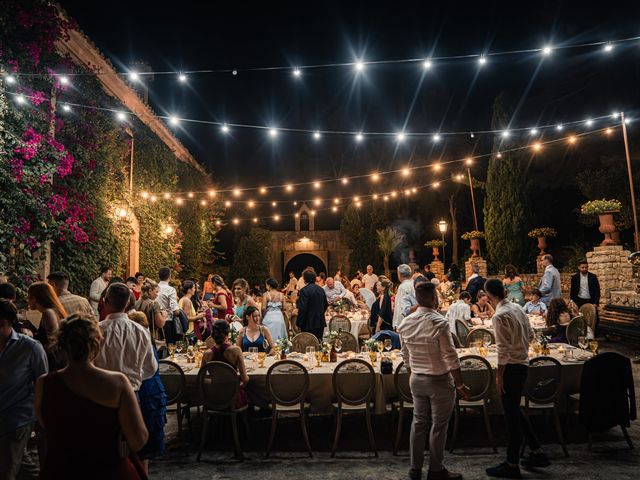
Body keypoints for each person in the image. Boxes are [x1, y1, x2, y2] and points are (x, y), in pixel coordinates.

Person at [34, 314, 147, 479]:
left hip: (61, 470)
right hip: (109, 471)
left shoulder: (44, 384)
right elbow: (138, 440)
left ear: (61, 344)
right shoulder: (117, 383)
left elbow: (47, 425)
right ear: (97, 343)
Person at [397, 282, 470, 480]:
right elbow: (451, 356)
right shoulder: (439, 322)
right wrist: (460, 384)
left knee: (419, 423)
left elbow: (405, 356)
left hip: (417, 379)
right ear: (432, 298)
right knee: (439, 425)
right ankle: (436, 469)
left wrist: (415, 373)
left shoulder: (405, 323)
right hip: (439, 380)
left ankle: (415, 468)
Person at [484, 279, 549, 478]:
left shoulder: (499, 316)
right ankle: (537, 452)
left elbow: (503, 350)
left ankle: (512, 464)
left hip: (512, 368)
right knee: (514, 409)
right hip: (522, 363)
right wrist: (521, 351)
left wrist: (499, 376)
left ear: (488, 296)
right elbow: (530, 334)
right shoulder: (518, 308)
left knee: (511, 416)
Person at [0, 299, 48, 480]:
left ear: (9, 323)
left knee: (8, 470)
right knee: (22, 463)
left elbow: (42, 381)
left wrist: (39, 416)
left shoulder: (30, 347)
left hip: (17, 418)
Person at [94, 283, 157, 392]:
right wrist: (133, 378)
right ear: (127, 302)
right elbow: (151, 368)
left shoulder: (95, 331)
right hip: (131, 392)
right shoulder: (140, 331)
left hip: (102, 393)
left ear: (105, 301)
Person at [127, 312, 167, 473]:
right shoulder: (144, 340)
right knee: (146, 437)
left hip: (141, 389)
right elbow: (152, 368)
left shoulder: (133, 340)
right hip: (149, 388)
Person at [203, 320, 249, 408]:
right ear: (228, 333)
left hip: (214, 398)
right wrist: (237, 385)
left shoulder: (206, 354)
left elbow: (201, 379)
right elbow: (245, 379)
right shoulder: (236, 350)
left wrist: (215, 383)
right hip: (233, 398)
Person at [27, 282, 68, 349]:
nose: (27, 300)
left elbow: (53, 344)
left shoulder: (48, 313)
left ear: (34, 298)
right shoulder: (52, 311)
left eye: (28, 297)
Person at [295, 269, 328, 341]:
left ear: (305, 279)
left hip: (308, 323)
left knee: (307, 345)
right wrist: (319, 313)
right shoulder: (321, 290)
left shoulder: (304, 290)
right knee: (318, 344)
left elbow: (302, 308)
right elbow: (325, 305)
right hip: (320, 322)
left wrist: (299, 323)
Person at [135, 280, 167, 350]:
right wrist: (164, 315)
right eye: (156, 292)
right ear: (150, 291)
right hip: (151, 338)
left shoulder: (136, 303)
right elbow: (160, 324)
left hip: (138, 337)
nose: (157, 294)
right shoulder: (153, 304)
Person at [262, 278, 288, 342]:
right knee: (280, 337)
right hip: (279, 317)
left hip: (269, 317)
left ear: (269, 285)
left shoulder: (266, 294)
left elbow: (263, 308)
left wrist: (263, 316)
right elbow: (285, 307)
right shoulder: (281, 295)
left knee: (269, 336)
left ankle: (269, 349)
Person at [393, 264, 415, 329]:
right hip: (413, 321)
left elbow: (401, 308)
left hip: (404, 324)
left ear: (399, 274)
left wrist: (397, 325)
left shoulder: (403, 287)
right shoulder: (414, 283)